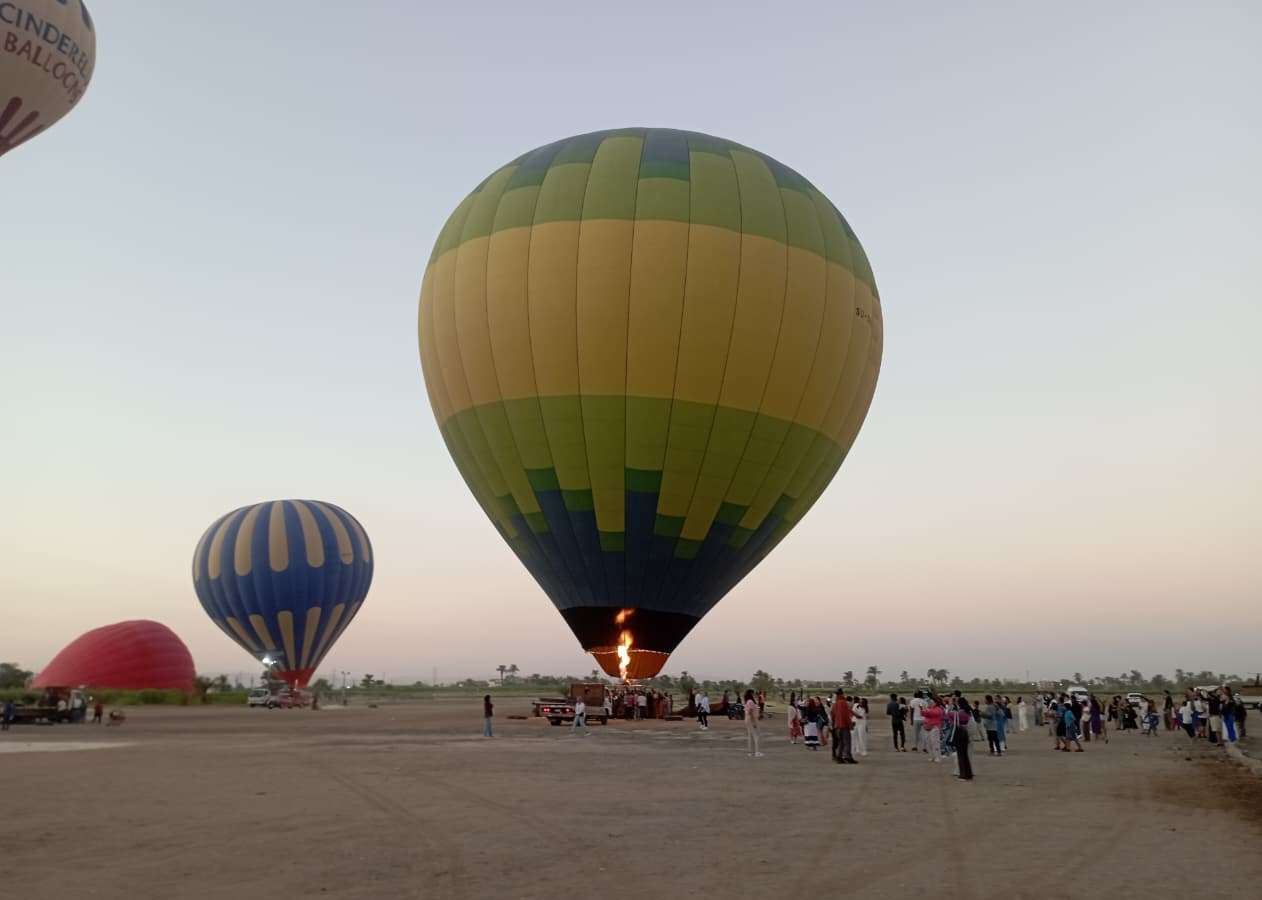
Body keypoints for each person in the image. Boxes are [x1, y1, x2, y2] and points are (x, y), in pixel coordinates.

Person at [948, 698, 973, 780]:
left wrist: (951, 704)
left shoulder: (960, 713)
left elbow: (948, 714)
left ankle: (963, 775)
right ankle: (968, 773)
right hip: (966, 733)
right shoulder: (968, 712)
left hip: (960, 733)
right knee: (965, 755)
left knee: (961, 755)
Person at [831, 689, 856, 764]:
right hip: (844, 725)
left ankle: (839, 757)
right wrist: (850, 725)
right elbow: (846, 715)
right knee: (847, 742)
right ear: (842, 694)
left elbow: (832, 715)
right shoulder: (843, 703)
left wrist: (834, 724)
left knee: (841, 742)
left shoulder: (835, 704)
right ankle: (848, 757)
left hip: (837, 726)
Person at [923, 695, 944, 762]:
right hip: (927, 727)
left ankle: (937, 757)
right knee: (928, 742)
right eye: (929, 702)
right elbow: (923, 713)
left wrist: (926, 711)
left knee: (935, 742)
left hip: (934, 727)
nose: (930, 703)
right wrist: (924, 710)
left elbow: (935, 714)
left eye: (932, 702)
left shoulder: (938, 709)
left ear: (935, 702)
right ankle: (932, 756)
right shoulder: (928, 708)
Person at [744, 690, 763, 758]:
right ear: (751, 694)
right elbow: (750, 712)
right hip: (751, 720)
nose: (754, 694)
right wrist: (754, 722)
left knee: (751, 736)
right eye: (753, 693)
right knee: (756, 735)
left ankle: (750, 752)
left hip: (748, 719)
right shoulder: (750, 701)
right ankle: (757, 752)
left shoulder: (748, 701)